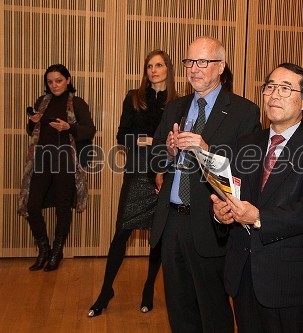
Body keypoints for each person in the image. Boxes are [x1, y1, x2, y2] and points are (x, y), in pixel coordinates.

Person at [211, 63, 303, 333]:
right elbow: (232, 194)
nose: (275, 95)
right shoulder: (246, 143)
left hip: (289, 281)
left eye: (285, 88)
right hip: (243, 273)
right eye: (270, 87)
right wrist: (221, 214)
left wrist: (258, 217)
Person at [151, 36, 261, 333]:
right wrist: (169, 151)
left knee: (213, 311)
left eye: (203, 62)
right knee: (179, 308)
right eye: (189, 62)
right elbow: (156, 158)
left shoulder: (243, 111)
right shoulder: (175, 108)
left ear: (221, 66)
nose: (194, 69)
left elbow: (246, 169)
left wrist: (206, 150)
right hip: (172, 221)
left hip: (212, 223)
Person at [87, 50, 178, 317]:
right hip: (137, 171)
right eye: (149, 66)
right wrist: (150, 140)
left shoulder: (177, 103)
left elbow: (178, 140)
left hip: (164, 172)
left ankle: (149, 288)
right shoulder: (134, 98)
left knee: (157, 238)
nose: (153, 70)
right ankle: (105, 291)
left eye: (159, 65)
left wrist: (156, 142)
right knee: (120, 235)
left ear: (168, 69)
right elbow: (122, 136)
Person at [18, 64, 96, 271]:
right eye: (50, 81)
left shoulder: (77, 103)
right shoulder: (41, 102)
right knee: (32, 205)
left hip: (65, 161)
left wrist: (68, 127)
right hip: (41, 159)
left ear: (68, 80)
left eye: (59, 80)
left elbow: (89, 130)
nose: (54, 85)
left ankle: (56, 251)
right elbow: (31, 131)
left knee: (62, 207)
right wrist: (33, 121)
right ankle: (43, 249)